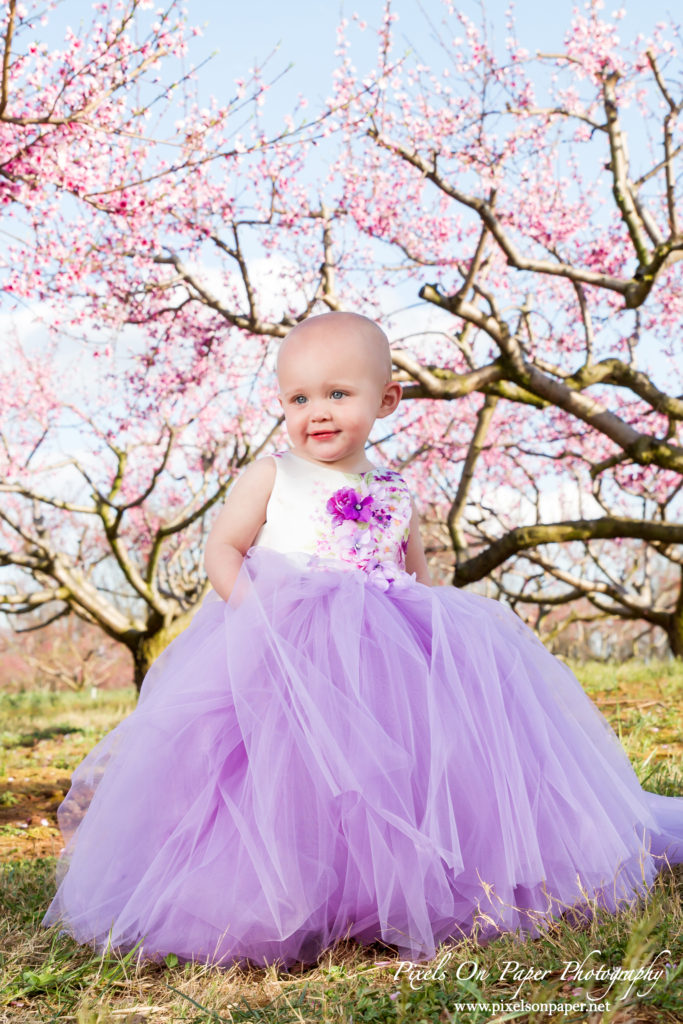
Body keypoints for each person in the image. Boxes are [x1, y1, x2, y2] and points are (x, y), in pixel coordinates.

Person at [43, 311, 683, 971]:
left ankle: (395, 891)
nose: (315, 412)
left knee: (398, 773)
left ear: (385, 400)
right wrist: (257, 613)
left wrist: (438, 647)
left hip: (383, 648)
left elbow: (418, 579)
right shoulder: (273, 476)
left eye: (337, 394)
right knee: (287, 775)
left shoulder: (394, 491)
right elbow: (223, 549)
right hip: (289, 639)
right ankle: (285, 894)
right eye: (299, 398)